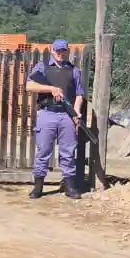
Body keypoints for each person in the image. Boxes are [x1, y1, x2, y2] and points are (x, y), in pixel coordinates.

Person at [25, 38, 85, 200]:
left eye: (63, 51)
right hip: (47, 113)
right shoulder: (42, 67)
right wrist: (51, 89)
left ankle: (69, 186)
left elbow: (79, 94)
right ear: (52, 51)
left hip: (66, 115)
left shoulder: (73, 70)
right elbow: (29, 86)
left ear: (67, 52)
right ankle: (38, 187)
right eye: (57, 50)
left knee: (68, 152)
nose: (60, 53)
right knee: (43, 151)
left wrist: (76, 112)